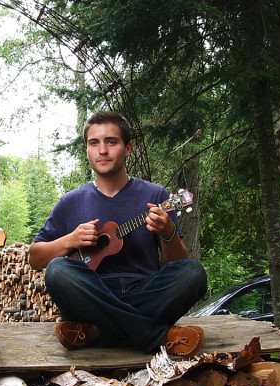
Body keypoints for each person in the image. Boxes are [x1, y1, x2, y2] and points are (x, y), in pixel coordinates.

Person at [28, 111, 207, 356]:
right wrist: (70, 240)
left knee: (193, 273)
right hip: (92, 292)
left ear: (128, 148)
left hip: (146, 290)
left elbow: (175, 264)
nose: (102, 150)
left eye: (111, 141)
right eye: (94, 143)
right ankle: (155, 334)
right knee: (58, 270)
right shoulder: (71, 202)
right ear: (87, 150)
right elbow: (35, 257)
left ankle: (97, 332)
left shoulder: (155, 196)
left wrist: (168, 233)